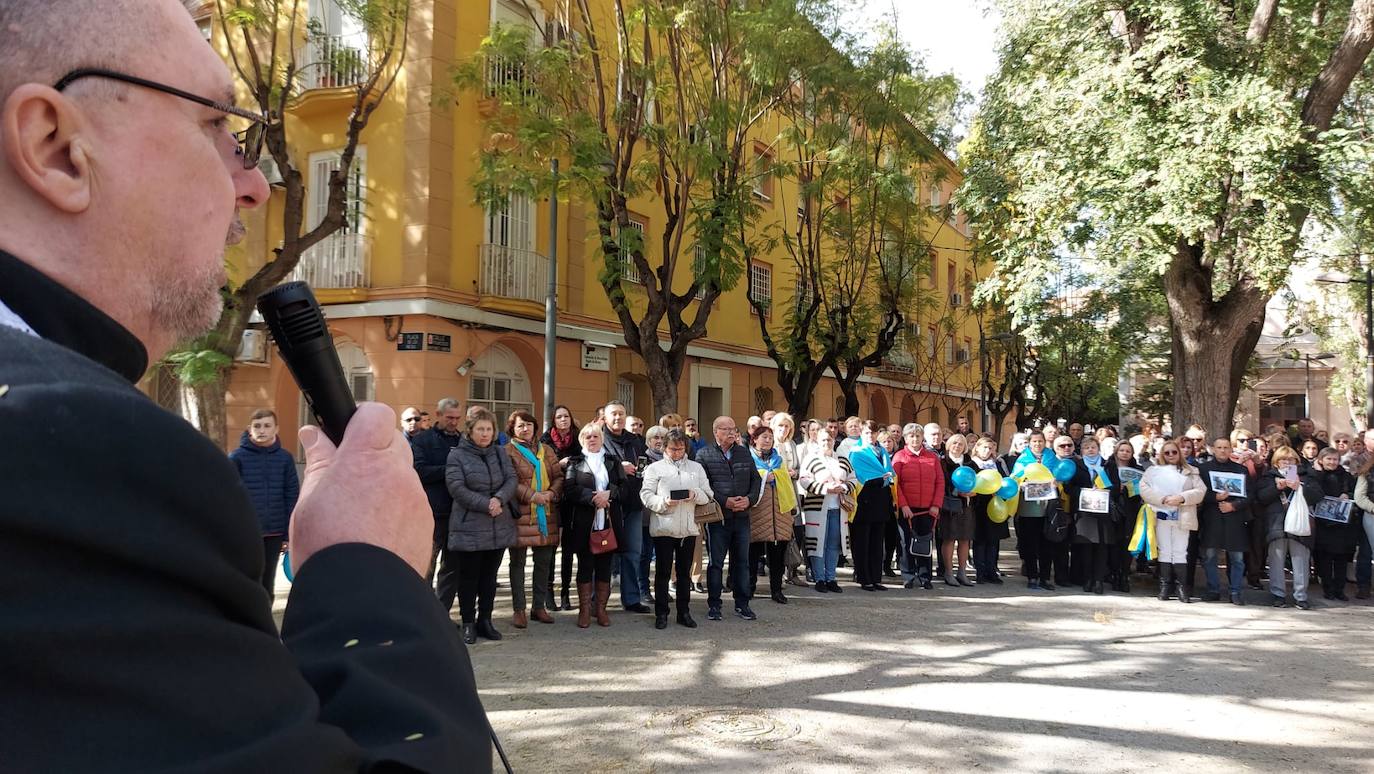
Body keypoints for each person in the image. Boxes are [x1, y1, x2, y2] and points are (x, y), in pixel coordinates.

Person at [0, 1, 491, 768]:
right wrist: (369, 568)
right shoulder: (67, 444)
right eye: (214, 126)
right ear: (56, 146)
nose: (254, 184)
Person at [446, 408, 518, 645]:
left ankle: (485, 620)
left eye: (489, 429)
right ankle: (468, 622)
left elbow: (511, 479)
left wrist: (498, 499)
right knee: (469, 578)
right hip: (470, 524)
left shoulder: (499, 453)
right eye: (480, 429)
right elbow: (456, 487)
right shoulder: (457, 455)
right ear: (470, 431)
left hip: (498, 523)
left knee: (489, 577)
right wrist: (486, 504)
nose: (485, 434)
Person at [640, 429, 712, 629]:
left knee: (684, 573)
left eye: (680, 449)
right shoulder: (655, 468)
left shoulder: (696, 468)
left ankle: (684, 612)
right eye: (672, 449)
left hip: (688, 528)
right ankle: (661, 613)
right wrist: (664, 502)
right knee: (662, 572)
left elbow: (708, 494)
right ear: (665, 448)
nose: (677, 453)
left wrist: (694, 494)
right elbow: (646, 495)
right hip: (664, 527)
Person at [696, 417, 764, 620]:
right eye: (726, 429)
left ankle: (742, 604)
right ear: (716, 431)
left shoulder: (743, 452)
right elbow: (703, 485)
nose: (731, 433)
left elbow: (755, 479)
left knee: (742, 562)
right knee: (716, 563)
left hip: (742, 516)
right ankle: (714, 605)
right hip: (719, 518)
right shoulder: (704, 454)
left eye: (734, 429)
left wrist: (749, 500)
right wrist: (725, 501)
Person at [229, 408, 300, 597]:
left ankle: (265, 623)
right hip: (247, 532)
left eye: (267, 426)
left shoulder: (285, 459)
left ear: (276, 429)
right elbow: (228, 496)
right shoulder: (237, 458)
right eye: (257, 426)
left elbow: (291, 495)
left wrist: (288, 534)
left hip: (274, 532)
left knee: (268, 582)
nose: (262, 430)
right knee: (247, 579)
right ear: (249, 429)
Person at [563, 423, 627, 628]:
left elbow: (625, 487)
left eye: (596, 436)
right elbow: (570, 489)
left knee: (604, 567)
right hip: (583, 522)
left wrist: (610, 494)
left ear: (602, 439)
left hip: (608, 522)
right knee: (585, 565)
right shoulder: (576, 462)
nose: (592, 439)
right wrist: (592, 498)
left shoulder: (612, 461)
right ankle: (584, 610)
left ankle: (600, 609)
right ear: (582, 440)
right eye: (588, 437)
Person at [505, 410, 564, 628]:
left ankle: (538, 607)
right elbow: (509, 480)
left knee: (544, 562)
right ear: (512, 428)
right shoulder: (507, 451)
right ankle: (518, 609)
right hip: (520, 514)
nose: (525, 429)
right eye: (520, 425)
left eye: (529, 425)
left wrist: (551, 494)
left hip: (545, 513)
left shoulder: (546, 450)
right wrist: (532, 496)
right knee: (517, 563)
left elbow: (559, 476)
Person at [413, 398, 466, 612]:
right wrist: (450, 469)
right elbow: (419, 471)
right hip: (433, 513)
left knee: (452, 568)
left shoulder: (464, 440)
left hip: (459, 512)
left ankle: (442, 614)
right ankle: (424, 615)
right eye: (449, 417)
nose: (454, 422)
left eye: (457, 418)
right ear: (438, 414)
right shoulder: (422, 440)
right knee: (427, 567)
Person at [1140, 441, 1206, 603]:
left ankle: (1182, 587)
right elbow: (1144, 488)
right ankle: (1165, 586)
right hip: (1161, 514)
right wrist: (1162, 499)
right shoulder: (1152, 471)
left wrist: (1182, 498)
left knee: (1180, 551)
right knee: (1164, 550)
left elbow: (1200, 491)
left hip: (1182, 515)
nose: (1171, 455)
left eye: (1174, 452)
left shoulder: (1192, 471)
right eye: (1167, 452)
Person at [602, 401, 651, 614]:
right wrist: (618, 468)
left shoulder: (635, 441)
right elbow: (590, 465)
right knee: (604, 552)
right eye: (613, 414)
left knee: (632, 552)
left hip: (633, 502)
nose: (617, 418)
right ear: (605, 418)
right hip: (607, 505)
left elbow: (644, 465)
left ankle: (631, 599)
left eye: (621, 414)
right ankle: (598, 600)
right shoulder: (598, 438)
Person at [1257, 446, 1321, 608]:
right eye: (1282, 460)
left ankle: (1301, 596)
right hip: (1276, 524)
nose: (1286, 463)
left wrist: (1300, 487)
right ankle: (1278, 594)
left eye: (1290, 460)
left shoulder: (1307, 475)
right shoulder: (1268, 477)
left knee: (1300, 561)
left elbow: (1318, 496)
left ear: (1297, 462)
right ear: (1276, 463)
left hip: (1300, 525)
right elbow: (1261, 498)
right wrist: (1277, 487)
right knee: (1276, 561)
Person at [1196, 436, 1251, 604]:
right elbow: (1198, 493)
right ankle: (1213, 589)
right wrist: (1215, 497)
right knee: (1210, 557)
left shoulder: (1241, 470)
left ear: (1231, 450)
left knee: (1237, 559)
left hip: (1234, 518)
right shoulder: (1203, 469)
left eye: (1226, 447)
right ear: (1213, 449)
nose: (1222, 450)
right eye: (1219, 447)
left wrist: (1234, 506)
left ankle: (1235, 591)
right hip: (1212, 518)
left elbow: (1250, 495)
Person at [799, 429, 855, 592]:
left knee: (833, 544)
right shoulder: (811, 459)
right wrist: (824, 488)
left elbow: (853, 479)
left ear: (834, 441)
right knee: (818, 544)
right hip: (817, 508)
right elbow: (804, 480)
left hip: (838, 508)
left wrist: (843, 487)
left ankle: (831, 578)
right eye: (823, 440)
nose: (826, 443)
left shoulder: (843, 460)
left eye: (829, 440)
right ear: (817, 441)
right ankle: (819, 578)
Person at [748, 426, 799, 604]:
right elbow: (748, 480)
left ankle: (776, 590)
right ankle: (749, 588)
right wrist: (763, 475)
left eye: (770, 437)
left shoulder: (779, 460)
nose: (768, 440)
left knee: (777, 556)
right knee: (752, 554)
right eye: (764, 437)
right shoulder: (748, 459)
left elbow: (786, 484)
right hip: (757, 513)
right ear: (754, 439)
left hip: (780, 514)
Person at [893, 423, 944, 589]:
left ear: (922, 438)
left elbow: (940, 482)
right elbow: (896, 484)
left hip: (928, 509)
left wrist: (936, 505)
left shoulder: (932, 457)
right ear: (905, 439)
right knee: (906, 543)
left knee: (924, 543)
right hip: (907, 509)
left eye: (918, 436)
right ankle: (908, 575)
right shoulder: (899, 457)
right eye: (911, 436)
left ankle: (925, 576)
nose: (915, 439)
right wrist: (903, 505)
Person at [541, 404, 581, 611]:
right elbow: (541, 468)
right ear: (554, 420)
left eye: (567, 416)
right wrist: (560, 464)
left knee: (568, 549)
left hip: (572, 498)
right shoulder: (545, 440)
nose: (564, 420)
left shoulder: (578, 438)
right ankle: (548, 593)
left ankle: (566, 593)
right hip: (552, 497)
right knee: (550, 547)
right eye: (559, 417)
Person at [1306, 448, 1358, 601]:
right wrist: (1318, 473)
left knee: (1341, 559)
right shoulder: (1314, 475)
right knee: (1325, 559)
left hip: (1343, 525)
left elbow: (1356, 492)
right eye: (1329, 459)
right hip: (1324, 524)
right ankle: (1328, 589)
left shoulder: (1346, 476)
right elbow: (1312, 494)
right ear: (1321, 460)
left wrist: (1347, 495)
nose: (1332, 462)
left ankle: (1339, 590)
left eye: (1335, 459)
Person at [849, 421, 895, 591]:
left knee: (877, 541)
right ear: (861, 433)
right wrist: (880, 477)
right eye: (867, 433)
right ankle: (863, 577)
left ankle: (876, 577)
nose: (870, 435)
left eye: (873, 433)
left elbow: (889, 473)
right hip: (864, 498)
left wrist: (885, 477)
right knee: (863, 541)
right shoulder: (857, 452)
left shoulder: (882, 451)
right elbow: (859, 475)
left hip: (881, 499)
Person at [1069, 437, 1115, 594]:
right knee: (1086, 547)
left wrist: (1105, 491)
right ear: (1081, 451)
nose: (1090, 450)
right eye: (1086, 447)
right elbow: (1069, 487)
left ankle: (1098, 580)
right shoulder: (1076, 465)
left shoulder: (1108, 465)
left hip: (1103, 513)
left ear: (1098, 448)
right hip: (1084, 513)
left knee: (1101, 548)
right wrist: (1084, 492)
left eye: (1093, 447)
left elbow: (1115, 487)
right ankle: (1087, 579)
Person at [1104, 434, 1143, 592]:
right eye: (1122, 450)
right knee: (1113, 544)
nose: (1125, 453)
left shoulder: (1138, 470)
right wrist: (1116, 489)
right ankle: (1114, 574)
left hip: (1130, 510)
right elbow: (1102, 488)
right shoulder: (1107, 467)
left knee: (1126, 545)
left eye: (1128, 450)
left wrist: (1131, 489)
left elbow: (1142, 492)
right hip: (1112, 510)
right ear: (1116, 452)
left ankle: (1124, 575)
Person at [969, 435, 1009, 584]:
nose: (987, 451)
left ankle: (992, 571)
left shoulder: (997, 464)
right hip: (979, 506)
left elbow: (1005, 482)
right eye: (984, 447)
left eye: (990, 448)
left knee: (993, 541)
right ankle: (980, 572)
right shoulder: (972, 464)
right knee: (980, 541)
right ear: (977, 448)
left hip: (996, 505)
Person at [940, 433, 977, 587]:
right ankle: (948, 572)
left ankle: (962, 572)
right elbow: (941, 482)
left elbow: (979, 481)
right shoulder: (943, 462)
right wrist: (956, 491)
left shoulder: (970, 463)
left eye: (960, 444)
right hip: (950, 505)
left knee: (965, 539)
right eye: (954, 443)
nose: (957, 446)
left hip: (967, 505)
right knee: (949, 539)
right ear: (949, 445)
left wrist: (974, 491)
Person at [1349, 455, 1374, 600]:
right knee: (1366, 552)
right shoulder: (1367, 472)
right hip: (1371, 516)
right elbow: (1360, 497)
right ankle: (1363, 586)